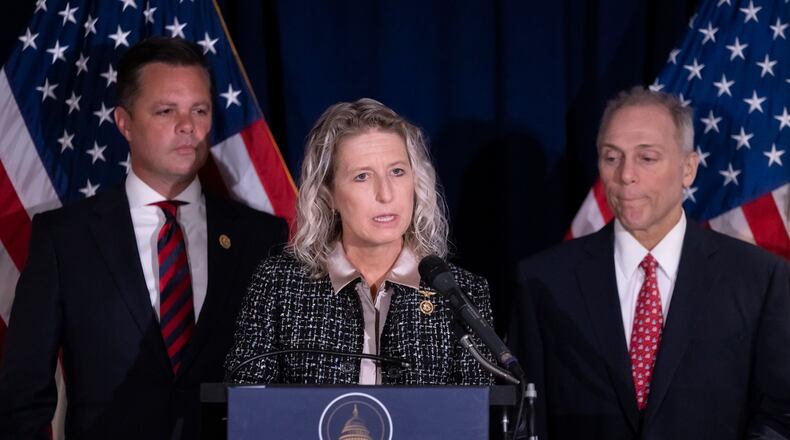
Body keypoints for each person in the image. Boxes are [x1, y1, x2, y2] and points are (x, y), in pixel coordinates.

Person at [0, 37, 288, 440]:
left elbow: (281, 381)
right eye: (166, 110)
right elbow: (23, 395)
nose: (188, 126)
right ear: (124, 123)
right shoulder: (63, 240)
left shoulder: (261, 237)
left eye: (199, 110)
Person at [509, 87, 790, 439]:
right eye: (612, 158)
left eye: (647, 158)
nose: (626, 175)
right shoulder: (544, 280)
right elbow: (525, 418)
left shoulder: (758, 279)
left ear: (688, 169)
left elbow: (781, 413)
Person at [225, 98, 493, 386]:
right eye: (362, 176)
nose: (386, 194)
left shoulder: (463, 294)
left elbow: (475, 420)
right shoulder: (278, 285)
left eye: (397, 172)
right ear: (328, 195)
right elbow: (248, 413)